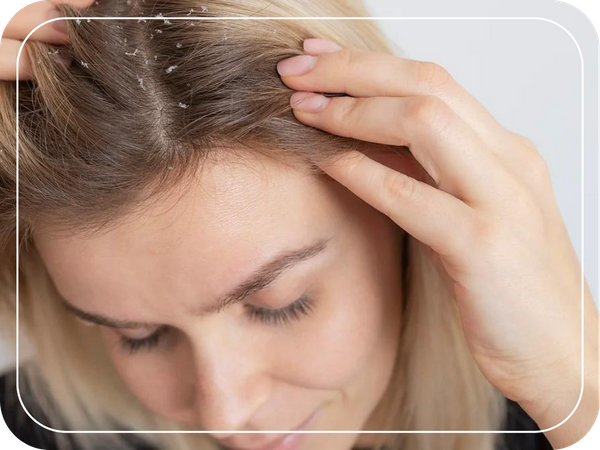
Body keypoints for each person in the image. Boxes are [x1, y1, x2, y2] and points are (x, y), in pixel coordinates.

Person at [0, 1, 597, 450]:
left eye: (280, 304)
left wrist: (571, 382)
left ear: (411, 222)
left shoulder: (548, 416)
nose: (224, 414)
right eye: (138, 336)